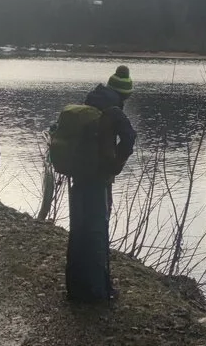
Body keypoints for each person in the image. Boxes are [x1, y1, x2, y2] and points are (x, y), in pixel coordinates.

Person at [66, 65, 137, 303]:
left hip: (78, 176)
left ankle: (75, 289)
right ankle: (98, 292)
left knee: (78, 231)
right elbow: (129, 137)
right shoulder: (114, 111)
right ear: (124, 94)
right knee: (97, 232)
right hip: (97, 179)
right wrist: (115, 164)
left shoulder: (89, 103)